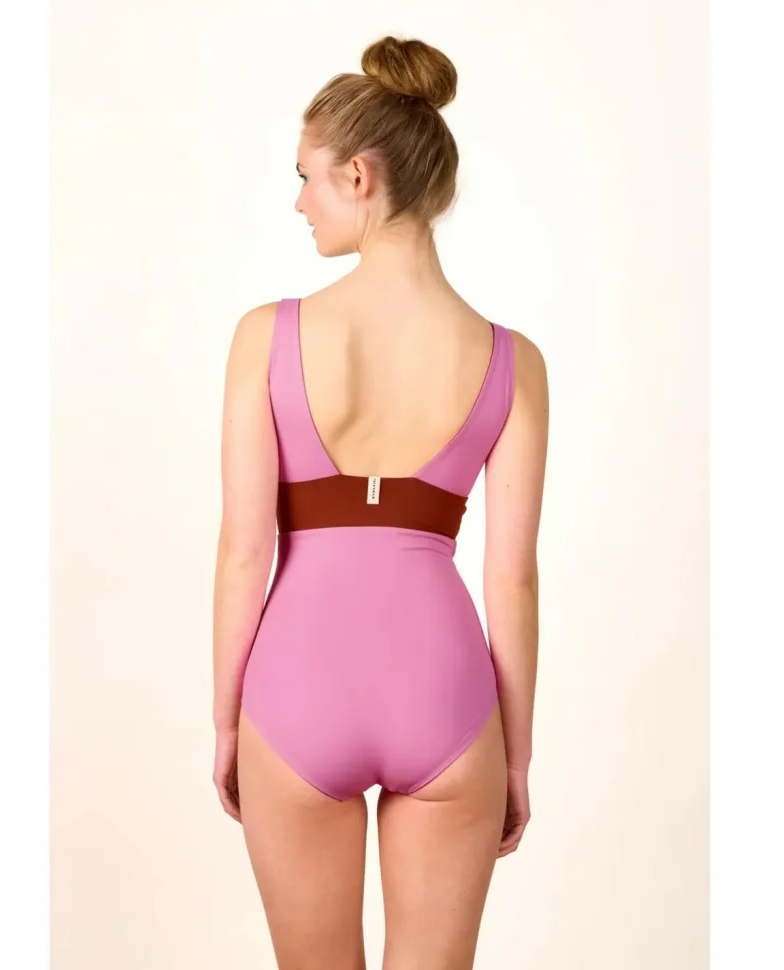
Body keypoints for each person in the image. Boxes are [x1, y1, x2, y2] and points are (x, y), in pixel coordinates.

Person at [211, 34, 549, 970]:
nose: (299, 202)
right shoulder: (513, 362)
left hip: (296, 689)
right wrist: (515, 757)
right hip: (445, 695)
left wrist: (227, 720)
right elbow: (512, 580)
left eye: (307, 177)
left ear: (358, 176)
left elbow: (245, 551)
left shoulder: (266, 337)